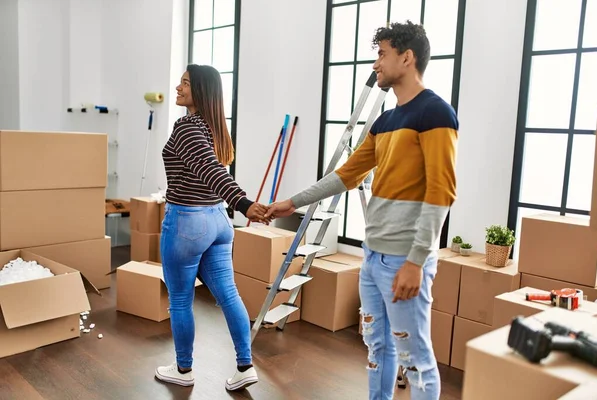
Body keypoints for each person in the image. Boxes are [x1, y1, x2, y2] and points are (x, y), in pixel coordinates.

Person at [266, 21, 458, 400]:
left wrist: (416, 262)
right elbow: (345, 175)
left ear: (407, 57)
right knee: (377, 349)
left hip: (404, 259)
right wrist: (291, 202)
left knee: (414, 356)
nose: (376, 64)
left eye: (382, 54)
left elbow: (442, 191)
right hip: (373, 259)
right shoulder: (385, 121)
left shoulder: (435, 113)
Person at [155, 64, 270, 390]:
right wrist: (238, 204)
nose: (178, 88)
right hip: (218, 222)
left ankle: (183, 369)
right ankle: (245, 365)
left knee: (179, 300)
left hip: (188, 223)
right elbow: (213, 172)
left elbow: (210, 171)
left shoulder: (188, 127)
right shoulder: (215, 128)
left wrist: (244, 203)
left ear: (201, 91)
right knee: (229, 293)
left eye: (186, 84)